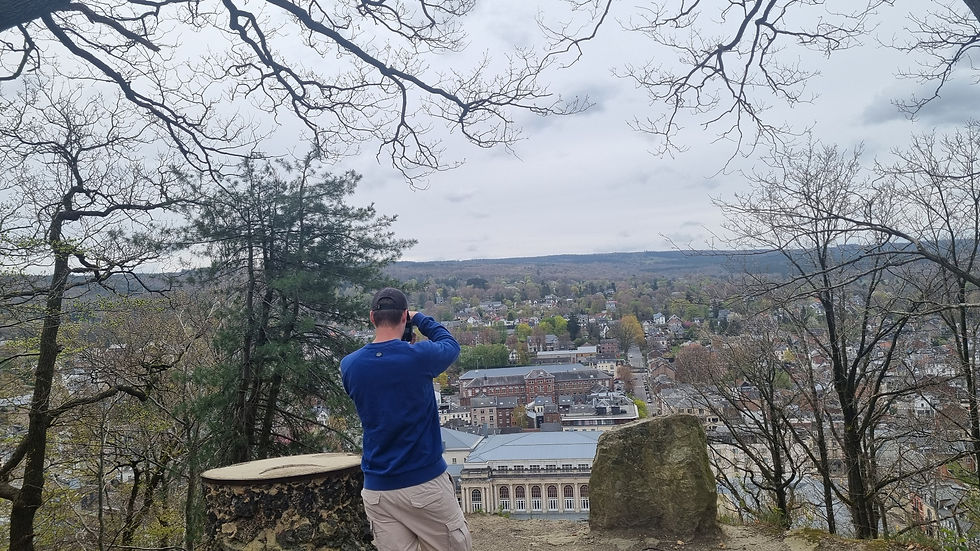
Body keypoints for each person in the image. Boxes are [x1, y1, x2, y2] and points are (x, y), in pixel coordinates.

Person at [341, 287, 471, 551]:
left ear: (371, 317)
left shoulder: (349, 365)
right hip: (424, 482)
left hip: (378, 489)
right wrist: (420, 318)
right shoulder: (418, 358)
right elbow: (450, 344)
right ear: (404, 317)